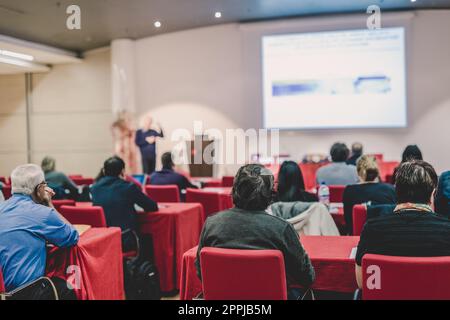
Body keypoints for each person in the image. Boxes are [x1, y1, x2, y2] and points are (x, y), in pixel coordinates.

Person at [195, 164, 315, 298]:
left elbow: (201, 272)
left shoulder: (211, 224)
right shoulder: (282, 229)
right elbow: (307, 277)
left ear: (235, 189)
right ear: (270, 194)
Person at [355, 161, 450, 288]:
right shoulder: (447, 230)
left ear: (396, 191)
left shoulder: (372, 228)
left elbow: (362, 283)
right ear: (433, 194)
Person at [0, 164, 79, 299]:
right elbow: (72, 237)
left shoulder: (1, 208)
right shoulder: (42, 214)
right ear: (39, 188)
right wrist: (49, 204)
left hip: (4, 291)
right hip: (25, 291)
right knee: (69, 288)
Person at [90, 156, 158, 252]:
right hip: (124, 238)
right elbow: (152, 207)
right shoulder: (128, 187)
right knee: (148, 238)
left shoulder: (94, 188)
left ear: (104, 171)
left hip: (102, 238)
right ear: (122, 171)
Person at [342, 155, 396, 234]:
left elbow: (348, 223)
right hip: (387, 238)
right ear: (377, 173)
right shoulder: (390, 190)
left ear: (358, 172)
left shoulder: (349, 191)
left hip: (356, 239)